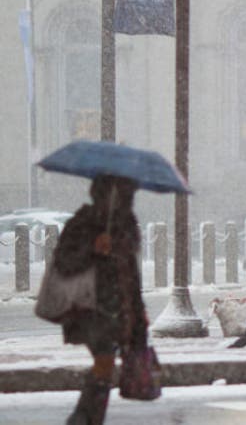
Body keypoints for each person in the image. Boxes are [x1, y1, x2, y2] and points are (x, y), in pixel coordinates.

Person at [53, 175, 149, 424]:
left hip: (121, 308)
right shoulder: (83, 222)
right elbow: (64, 263)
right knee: (104, 361)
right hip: (90, 307)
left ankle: (89, 416)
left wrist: (139, 313)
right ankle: (83, 417)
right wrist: (92, 249)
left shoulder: (127, 225)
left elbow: (131, 273)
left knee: (105, 368)